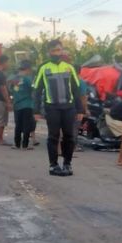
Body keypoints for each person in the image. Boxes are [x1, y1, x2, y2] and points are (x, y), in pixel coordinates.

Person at [34, 40, 85, 176]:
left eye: (60, 50)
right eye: (55, 50)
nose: (58, 52)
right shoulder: (43, 68)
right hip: (52, 108)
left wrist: (80, 110)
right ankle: (53, 165)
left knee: (69, 137)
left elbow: (76, 89)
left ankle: (67, 164)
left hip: (69, 108)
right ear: (49, 52)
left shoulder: (69, 67)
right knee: (53, 137)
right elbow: (37, 90)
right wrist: (36, 110)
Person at [11, 60, 35, 150]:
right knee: (26, 125)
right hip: (27, 104)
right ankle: (25, 145)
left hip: (17, 105)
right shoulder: (28, 79)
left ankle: (17, 144)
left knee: (18, 125)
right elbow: (33, 90)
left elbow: (12, 90)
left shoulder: (14, 79)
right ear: (27, 69)